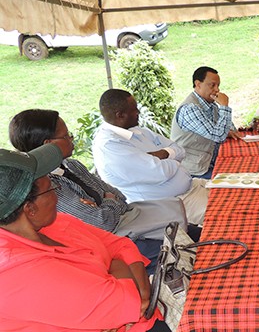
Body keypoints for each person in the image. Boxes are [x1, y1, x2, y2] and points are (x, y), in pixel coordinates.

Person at [0, 143, 206, 332]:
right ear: (29, 208)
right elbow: (126, 297)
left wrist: (126, 289)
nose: (58, 196)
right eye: (52, 188)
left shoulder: (51, 223)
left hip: (129, 326)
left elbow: (120, 245)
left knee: (209, 310)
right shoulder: (14, 274)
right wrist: (127, 292)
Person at [8, 109, 195, 271]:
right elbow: (103, 222)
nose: (72, 139)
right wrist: (108, 200)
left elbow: (118, 195)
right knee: (194, 251)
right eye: (66, 136)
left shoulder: (71, 165)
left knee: (198, 236)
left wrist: (106, 203)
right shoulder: (48, 187)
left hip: (134, 225)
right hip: (124, 243)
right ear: (48, 144)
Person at [93, 89, 209, 226]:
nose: (139, 112)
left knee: (237, 194)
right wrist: (175, 161)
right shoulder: (110, 146)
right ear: (120, 115)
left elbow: (180, 150)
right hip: (173, 205)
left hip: (192, 187)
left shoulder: (139, 131)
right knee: (231, 215)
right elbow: (160, 172)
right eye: (134, 109)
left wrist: (164, 154)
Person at [171, 66, 239, 179]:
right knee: (236, 178)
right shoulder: (190, 109)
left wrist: (227, 131)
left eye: (218, 86)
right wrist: (224, 106)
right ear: (198, 84)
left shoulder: (211, 105)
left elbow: (230, 129)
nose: (217, 90)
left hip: (209, 162)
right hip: (194, 171)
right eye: (212, 85)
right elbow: (218, 136)